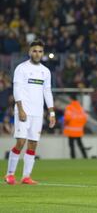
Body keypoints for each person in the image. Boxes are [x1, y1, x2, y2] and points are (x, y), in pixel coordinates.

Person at [4, 39, 56, 185]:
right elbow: (17, 89)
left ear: (43, 53)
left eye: (40, 51)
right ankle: (10, 174)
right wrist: (20, 109)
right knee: (20, 142)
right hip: (24, 111)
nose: (37, 53)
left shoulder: (45, 71)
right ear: (29, 52)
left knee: (33, 144)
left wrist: (51, 112)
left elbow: (47, 92)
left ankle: (26, 176)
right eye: (35, 51)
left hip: (38, 113)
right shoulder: (21, 68)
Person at [63, 93, 88, 159]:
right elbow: (85, 118)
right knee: (80, 144)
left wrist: (65, 124)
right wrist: (80, 125)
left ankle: (73, 157)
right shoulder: (80, 107)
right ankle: (85, 156)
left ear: (70, 99)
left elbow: (67, 118)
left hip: (71, 129)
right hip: (79, 129)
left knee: (71, 145)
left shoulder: (69, 107)